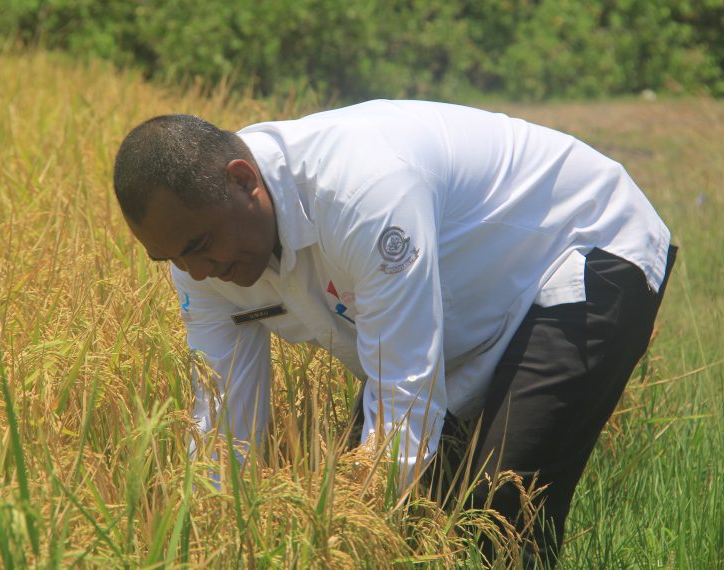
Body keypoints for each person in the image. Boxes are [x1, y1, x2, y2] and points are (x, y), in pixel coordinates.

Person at [112, 100, 676, 566]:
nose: (196, 273)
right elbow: (222, 436)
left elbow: (403, 398)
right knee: (410, 521)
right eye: (170, 259)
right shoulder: (198, 258)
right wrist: (205, 541)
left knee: (500, 510)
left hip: (579, 248)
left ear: (243, 182)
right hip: (455, 313)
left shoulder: (360, 192)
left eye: (197, 249)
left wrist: (342, 533)